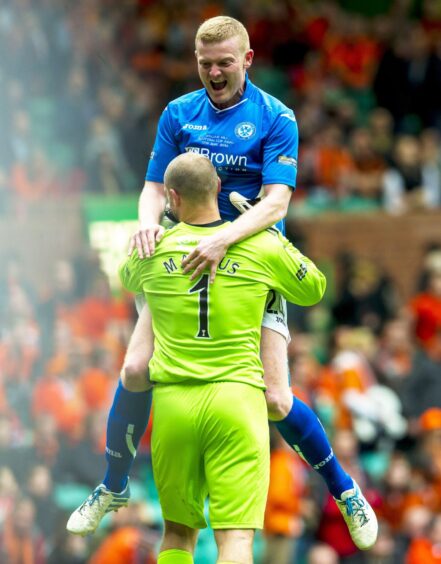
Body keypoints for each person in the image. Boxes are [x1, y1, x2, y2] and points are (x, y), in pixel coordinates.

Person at [67, 16, 377, 550]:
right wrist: (147, 223)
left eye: (224, 63)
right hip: (189, 255)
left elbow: (278, 201)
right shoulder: (179, 114)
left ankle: (343, 490)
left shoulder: (275, 117)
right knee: (136, 367)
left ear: (247, 60)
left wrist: (225, 238)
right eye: (205, 63)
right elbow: (150, 187)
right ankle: (113, 484)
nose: (214, 71)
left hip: (250, 261)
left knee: (277, 398)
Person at [87, 151, 327, 563]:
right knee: (234, 539)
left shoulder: (152, 251)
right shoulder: (258, 244)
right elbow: (314, 289)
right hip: (237, 402)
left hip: (175, 406)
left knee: (178, 534)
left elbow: (127, 278)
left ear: (173, 199)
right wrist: (273, 236)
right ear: (219, 188)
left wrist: (154, 230)